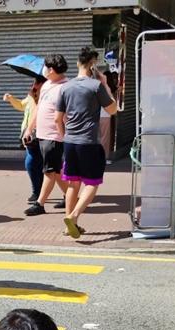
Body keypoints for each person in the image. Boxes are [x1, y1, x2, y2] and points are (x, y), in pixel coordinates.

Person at [56, 47, 118, 239]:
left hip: (70, 143)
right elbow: (113, 109)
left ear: (77, 63)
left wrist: (65, 136)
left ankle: (69, 225)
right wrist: (106, 84)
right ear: (93, 65)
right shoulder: (95, 86)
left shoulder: (65, 87)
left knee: (73, 183)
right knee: (92, 183)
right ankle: (73, 216)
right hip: (89, 142)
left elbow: (58, 119)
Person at [23, 53, 69, 216]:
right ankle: (70, 195)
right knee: (55, 171)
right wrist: (29, 129)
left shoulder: (65, 88)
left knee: (49, 171)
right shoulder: (47, 84)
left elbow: (67, 114)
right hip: (42, 134)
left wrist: (64, 134)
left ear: (50, 70)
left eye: (45, 66)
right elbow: (38, 107)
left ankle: (39, 204)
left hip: (55, 136)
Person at [3, 77, 44, 207]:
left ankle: (37, 192)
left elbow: (40, 110)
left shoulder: (45, 96)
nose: (33, 85)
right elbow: (21, 105)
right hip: (28, 135)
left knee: (32, 163)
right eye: (33, 82)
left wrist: (34, 98)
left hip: (39, 134)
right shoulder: (31, 96)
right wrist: (11, 99)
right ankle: (39, 191)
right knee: (38, 164)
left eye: (36, 82)